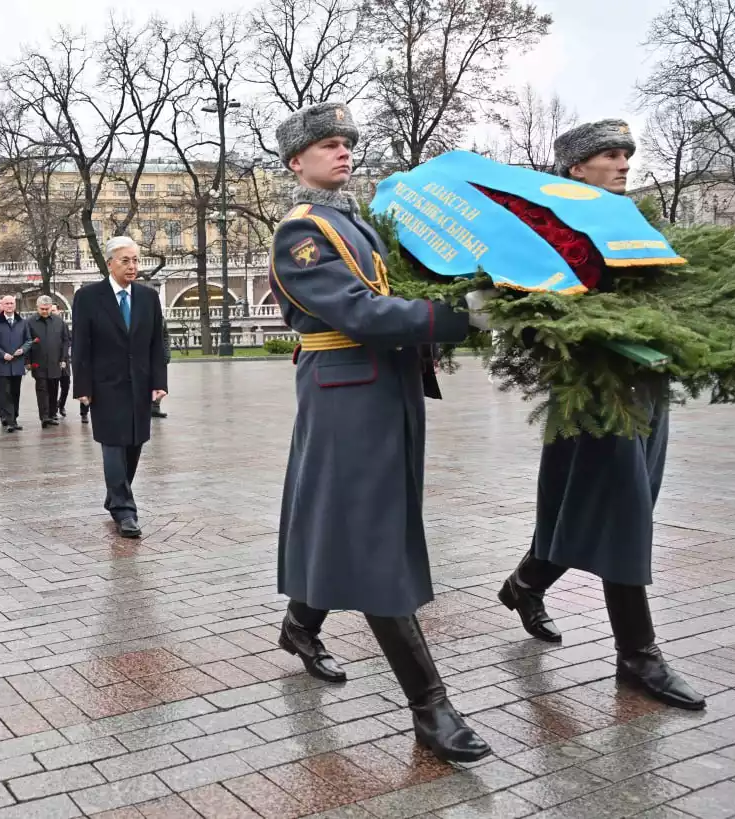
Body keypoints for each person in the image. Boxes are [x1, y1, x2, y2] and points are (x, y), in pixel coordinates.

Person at [268, 102, 495, 762]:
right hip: (347, 392)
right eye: (328, 145)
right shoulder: (302, 233)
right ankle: (431, 708)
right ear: (296, 162)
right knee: (372, 543)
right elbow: (359, 310)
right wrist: (455, 317)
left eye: (347, 143)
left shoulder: (357, 223)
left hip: (379, 389)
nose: (343, 152)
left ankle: (299, 624)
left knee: (354, 521)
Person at [496, 120, 705, 711]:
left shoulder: (638, 224)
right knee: (621, 512)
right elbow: (538, 308)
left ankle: (525, 584)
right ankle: (638, 655)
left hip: (644, 389)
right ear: (576, 169)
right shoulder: (555, 230)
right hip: (593, 390)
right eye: (609, 155)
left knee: (598, 506)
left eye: (626, 154)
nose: (622, 163)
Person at [70, 236, 168, 539]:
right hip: (104, 386)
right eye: (126, 260)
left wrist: (159, 382)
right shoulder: (88, 297)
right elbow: (81, 346)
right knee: (113, 447)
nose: (132, 266)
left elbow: (156, 343)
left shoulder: (148, 297)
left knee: (134, 446)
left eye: (136, 260)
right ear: (110, 263)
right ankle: (125, 511)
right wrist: (82, 386)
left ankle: (115, 496)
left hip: (139, 385)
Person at [0, 294, 31, 433]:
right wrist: (3, 354)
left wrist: (22, 350)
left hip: (17, 363)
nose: (9, 306)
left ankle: (14, 418)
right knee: (5, 393)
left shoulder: (22, 322)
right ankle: (10, 421)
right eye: (7, 303)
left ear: (14, 305)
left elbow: (29, 340)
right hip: (1, 364)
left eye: (11, 303)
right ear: (2, 305)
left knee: (15, 392)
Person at [26, 295, 69, 427]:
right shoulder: (30, 322)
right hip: (38, 362)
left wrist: (63, 358)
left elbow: (65, 341)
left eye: (47, 308)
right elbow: (27, 342)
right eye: (42, 309)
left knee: (53, 388)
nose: (45, 311)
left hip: (55, 361)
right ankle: (44, 416)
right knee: (42, 389)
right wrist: (27, 361)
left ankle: (52, 414)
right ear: (37, 308)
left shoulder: (59, 321)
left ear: (51, 308)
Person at [51, 304, 73, 419]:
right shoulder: (48, 324)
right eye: (51, 310)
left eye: (54, 310)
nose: (52, 312)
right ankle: (54, 407)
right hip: (52, 361)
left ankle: (61, 404)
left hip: (64, 360)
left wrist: (65, 357)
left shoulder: (63, 324)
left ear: (59, 311)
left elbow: (69, 340)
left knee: (66, 385)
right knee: (54, 386)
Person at [151, 321, 171, 418]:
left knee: (162, 387)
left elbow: (166, 336)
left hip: (161, 354)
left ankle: (155, 406)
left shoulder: (162, 319)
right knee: (153, 385)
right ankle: (152, 406)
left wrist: (167, 352)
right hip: (149, 355)